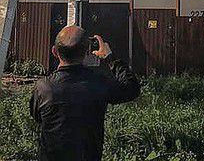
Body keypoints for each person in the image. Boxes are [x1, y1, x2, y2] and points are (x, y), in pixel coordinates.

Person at [29, 26, 140, 161]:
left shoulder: (44, 87)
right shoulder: (99, 83)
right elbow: (132, 88)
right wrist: (110, 58)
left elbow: (37, 117)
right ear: (87, 52)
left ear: (54, 51)